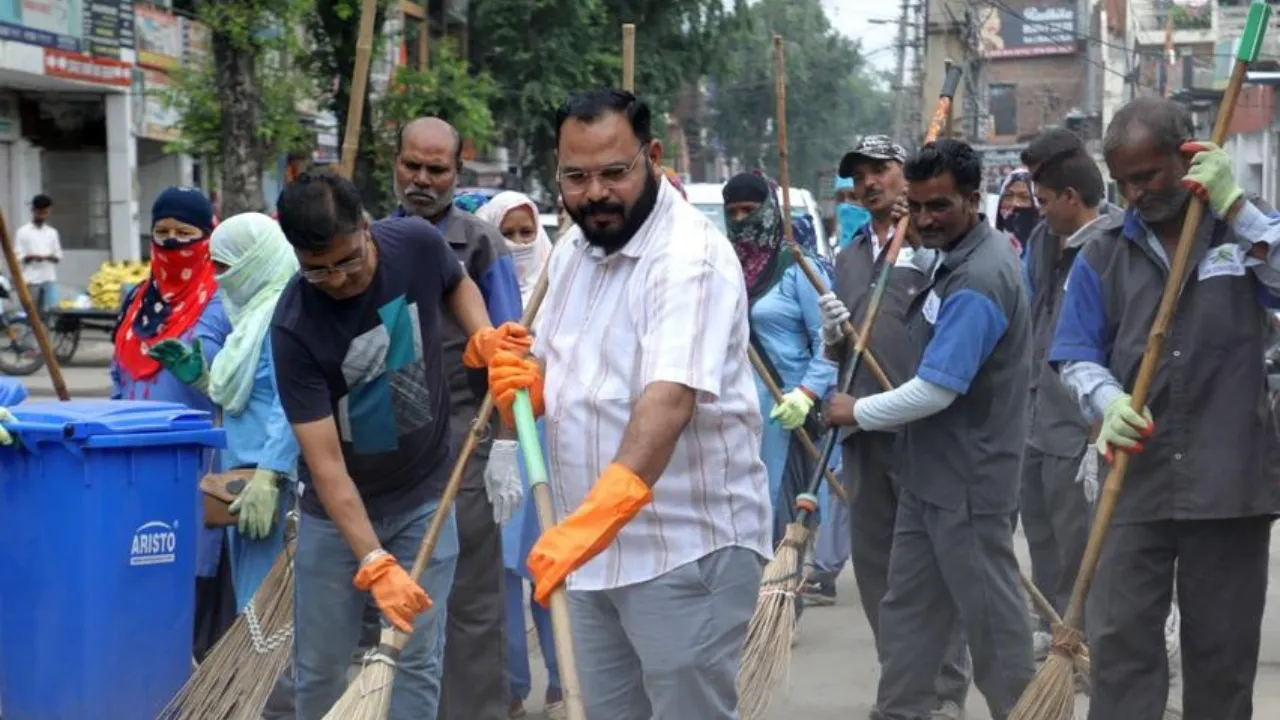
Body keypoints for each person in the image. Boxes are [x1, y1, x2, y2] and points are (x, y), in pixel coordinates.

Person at [485, 88, 772, 720]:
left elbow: (666, 404)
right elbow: (558, 379)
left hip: (683, 550)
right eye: (576, 176)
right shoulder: (572, 250)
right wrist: (518, 383)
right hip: (586, 556)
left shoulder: (690, 259)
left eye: (615, 172)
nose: (595, 194)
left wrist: (587, 524)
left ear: (653, 157)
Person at [1050, 95, 1280, 720]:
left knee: (1222, 660)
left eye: (1147, 176)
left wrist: (1236, 205)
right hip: (1134, 477)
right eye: (1123, 181)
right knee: (1122, 651)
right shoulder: (1101, 252)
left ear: (1189, 157)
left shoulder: (1248, 226)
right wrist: (1107, 398)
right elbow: (1074, 354)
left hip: (1229, 482)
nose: (1133, 194)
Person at [270, 170, 530, 720]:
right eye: (317, 271)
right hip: (336, 519)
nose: (338, 280)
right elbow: (326, 465)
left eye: (347, 261)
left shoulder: (413, 242)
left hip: (424, 497)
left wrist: (481, 335)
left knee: (417, 660)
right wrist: (372, 560)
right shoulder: (295, 325)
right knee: (320, 665)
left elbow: (454, 281)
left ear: (366, 229)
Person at [824, 139, 1035, 720]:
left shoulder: (982, 277)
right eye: (915, 207)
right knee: (907, 613)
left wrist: (856, 412)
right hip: (925, 478)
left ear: (975, 199)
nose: (924, 219)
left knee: (991, 623)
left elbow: (937, 390)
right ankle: (900, 712)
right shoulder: (942, 258)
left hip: (968, 483)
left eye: (939, 206)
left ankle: (1027, 713)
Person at [818, 135, 971, 720]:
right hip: (862, 433)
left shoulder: (933, 245)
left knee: (933, 569)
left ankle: (946, 691)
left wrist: (923, 254)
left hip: (924, 430)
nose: (869, 182)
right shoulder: (851, 253)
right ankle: (903, 688)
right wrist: (834, 334)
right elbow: (841, 352)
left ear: (906, 172)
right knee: (879, 569)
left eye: (880, 169)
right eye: (859, 175)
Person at [392, 116, 525, 720]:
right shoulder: (371, 239)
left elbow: (512, 354)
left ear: (457, 171)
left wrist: (503, 445)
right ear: (395, 164)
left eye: (436, 169)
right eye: (412, 166)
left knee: (471, 597)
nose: (422, 180)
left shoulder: (477, 245)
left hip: (463, 441)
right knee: (397, 596)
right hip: (387, 445)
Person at [153, 212, 301, 609]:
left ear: (256, 262)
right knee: (252, 606)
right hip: (241, 479)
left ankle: (273, 676)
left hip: (274, 483)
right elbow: (251, 393)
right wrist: (202, 377)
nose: (218, 278)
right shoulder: (252, 315)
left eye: (226, 267)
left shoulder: (283, 316)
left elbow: (293, 401)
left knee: (268, 610)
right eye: (213, 266)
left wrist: (270, 476)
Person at [112, 186, 234, 660]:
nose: (171, 245)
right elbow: (116, 375)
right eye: (161, 233)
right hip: (129, 462)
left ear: (207, 237)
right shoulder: (134, 298)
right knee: (136, 573)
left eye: (184, 235)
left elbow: (230, 384)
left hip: (193, 465)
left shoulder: (221, 301)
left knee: (188, 584)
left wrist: (198, 371)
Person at [1017, 145, 1110, 660]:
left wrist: (1099, 420)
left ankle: (1082, 636)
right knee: (1043, 531)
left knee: (1081, 540)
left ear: (1072, 195)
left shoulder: (1110, 246)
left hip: (1080, 423)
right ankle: (1053, 625)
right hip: (1037, 414)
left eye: (1046, 196)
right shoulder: (1043, 239)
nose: (1040, 205)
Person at [475, 191, 564, 719]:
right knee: (503, 572)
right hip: (499, 442)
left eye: (528, 233)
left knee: (551, 564)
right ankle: (510, 683)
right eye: (508, 234)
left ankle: (561, 679)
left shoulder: (564, 285)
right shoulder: (481, 291)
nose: (521, 243)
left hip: (550, 440)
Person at [14, 194, 62, 316]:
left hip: (49, 278)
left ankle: (46, 335)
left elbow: (58, 255)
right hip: (31, 279)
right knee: (31, 314)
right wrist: (32, 257)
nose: (42, 215)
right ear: (33, 211)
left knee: (50, 314)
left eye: (45, 212)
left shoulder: (52, 232)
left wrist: (48, 257)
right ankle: (30, 335)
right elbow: (18, 256)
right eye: (40, 212)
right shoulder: (23, 232)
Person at [995, 167, 1038, 255]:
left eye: (1024, 197)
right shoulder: (991, 248)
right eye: (1008, 195)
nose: (1015, 203)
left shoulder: (1046, 251)